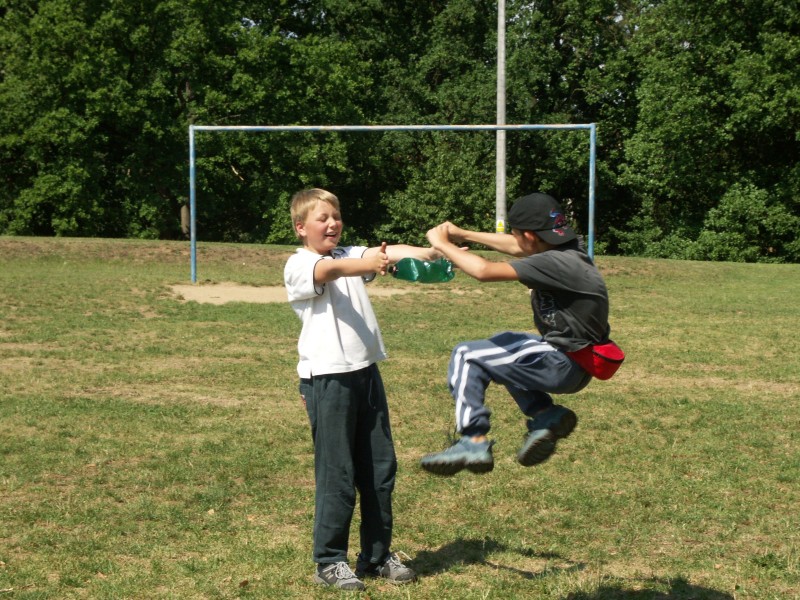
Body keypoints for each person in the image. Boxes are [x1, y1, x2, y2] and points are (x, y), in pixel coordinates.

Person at [284, 188, 432, 590]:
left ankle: (376, 556)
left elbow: (390, 252)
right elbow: (331, 271)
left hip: (366, 374)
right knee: (338, 472)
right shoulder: (300, 264)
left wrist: (433, 250)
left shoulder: (349, 253)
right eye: (322, 218)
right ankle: (329, 561)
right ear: (301, 228)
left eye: (336, 216)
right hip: (327, 379)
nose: (332, 223)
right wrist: (369, 263)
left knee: (380, 468)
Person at [420, 192, 617, 476]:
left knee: (467, 355)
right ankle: (546, 415)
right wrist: (463, 234)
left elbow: (484, 271)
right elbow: (517, 246)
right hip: (574, 361)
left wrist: (441, 244)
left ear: (530, 236)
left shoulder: (556, 262)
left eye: (516, 234)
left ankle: (473, 440)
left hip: (561, 362)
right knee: (504, 344)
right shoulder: (568, 248)